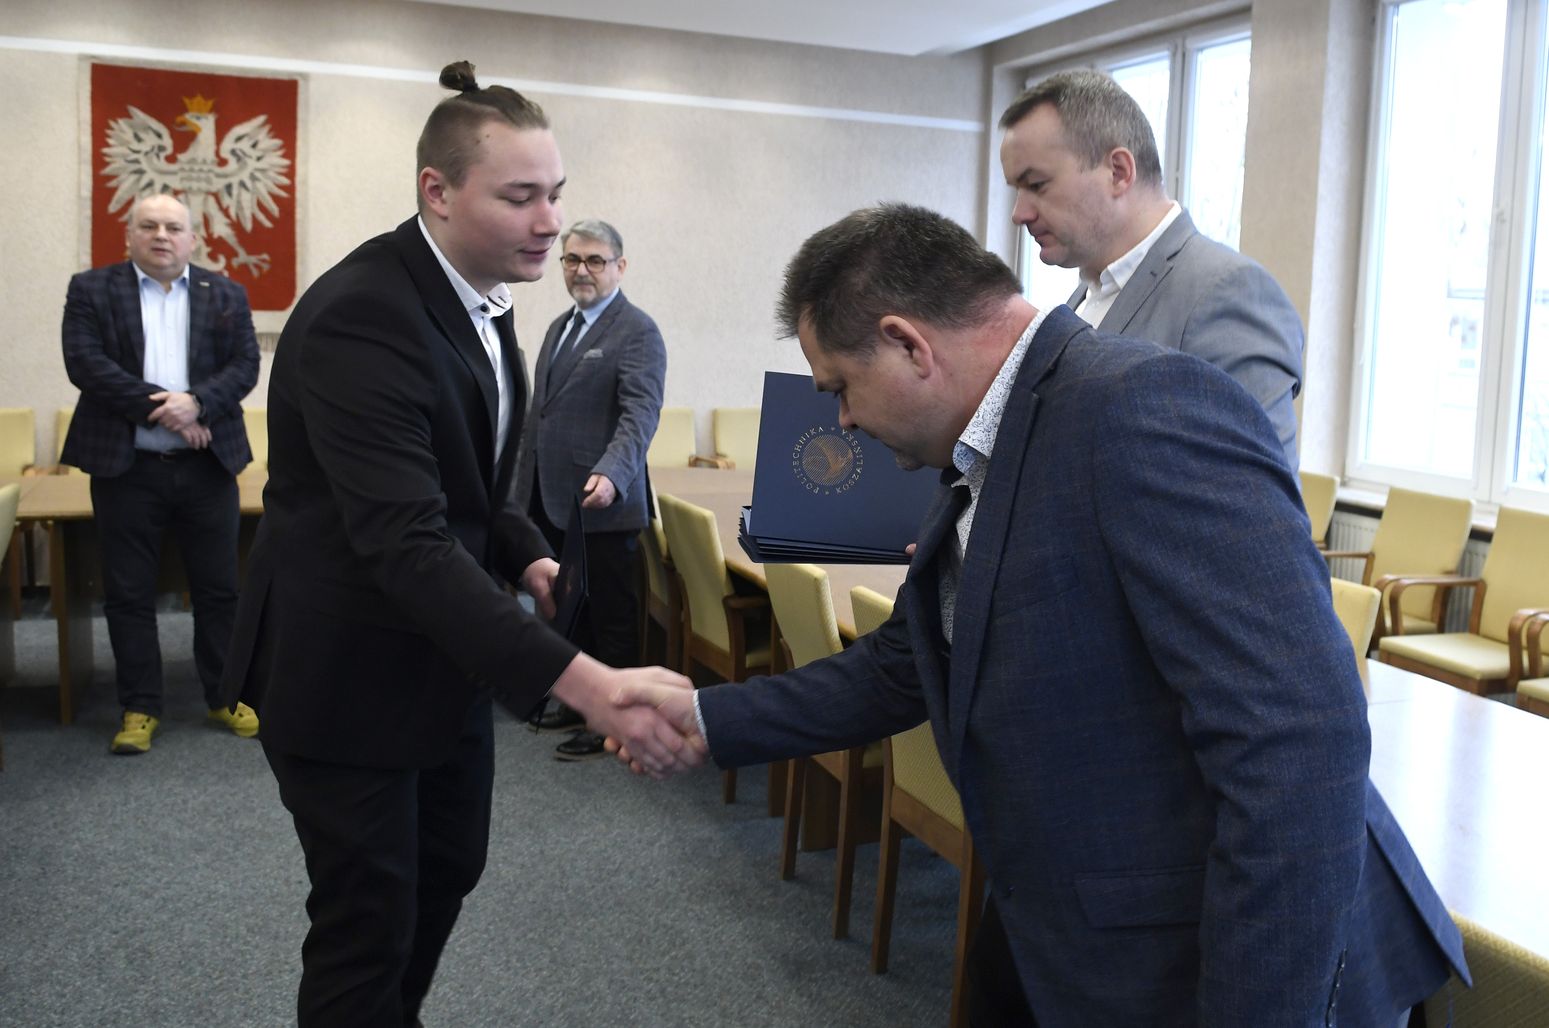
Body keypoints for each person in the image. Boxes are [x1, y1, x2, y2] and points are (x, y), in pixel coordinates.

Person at [614, 204, 1467, 1025]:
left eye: (840, 388)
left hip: (1218, 956)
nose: (841, 419)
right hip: (1070, 913)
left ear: (907, 343)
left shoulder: (1143, 408)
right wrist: (707, 716)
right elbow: (910, 658)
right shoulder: (988, 445)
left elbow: (1296, 743)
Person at [218, 63, 700, 1026]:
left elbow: (467, 481)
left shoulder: (484, 299)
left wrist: (519, 545)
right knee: (368, 920)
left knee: (446, 868)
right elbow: (406, 539)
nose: (549, 223)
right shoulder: (365, 314)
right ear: (436, 191)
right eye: (520, 197)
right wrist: (586, 682)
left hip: (442, 655)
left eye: (555, 193)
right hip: (347, 670)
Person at [1000, 69, 1304, 468]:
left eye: (1037, 184)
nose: (1019, 213)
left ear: (1118, 172)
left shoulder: (1227, 294)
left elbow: (1258, 496)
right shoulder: (1083, 299)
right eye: (1016, 190)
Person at [60, 192, 261, 754]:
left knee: (219, 589)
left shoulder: (226, 292)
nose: (161, 236)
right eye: (148, 226)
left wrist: (197, 404)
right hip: (126, 468)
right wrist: (170, 410)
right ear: (129, 235)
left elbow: (245, 365)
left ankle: (224, 695)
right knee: (127, 592)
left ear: (193, 239)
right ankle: (140, 705)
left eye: (173, 227)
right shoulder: (91, 289)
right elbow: (86, 364)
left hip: (207, 467)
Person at [514, 219, 666, 760]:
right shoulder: (561, 326)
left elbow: (639, 414)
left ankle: (616, 723)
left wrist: (613, 473)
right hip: (550, 498)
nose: (582, 270)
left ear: (619, 267)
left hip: (602, 503)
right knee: (568, 610)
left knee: (611, 618)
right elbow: (541, 414)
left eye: (595, 260)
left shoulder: (637, 330)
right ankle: (578, 703)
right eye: (573, 259)